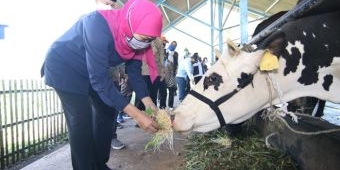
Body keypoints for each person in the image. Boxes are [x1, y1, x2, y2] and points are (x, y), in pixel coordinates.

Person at [40, 0, 162, 169]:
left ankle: (99, 163)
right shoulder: (97, 23)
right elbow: (99, 80)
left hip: (92, 70)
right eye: (144, 38)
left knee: (107, 111)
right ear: (131, 23)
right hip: (65, 66)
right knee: (80, 119)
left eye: (150, 40)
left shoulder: (137, 39)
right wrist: (137, 115)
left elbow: (134, 74)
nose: (145, 44)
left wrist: (149, 106)